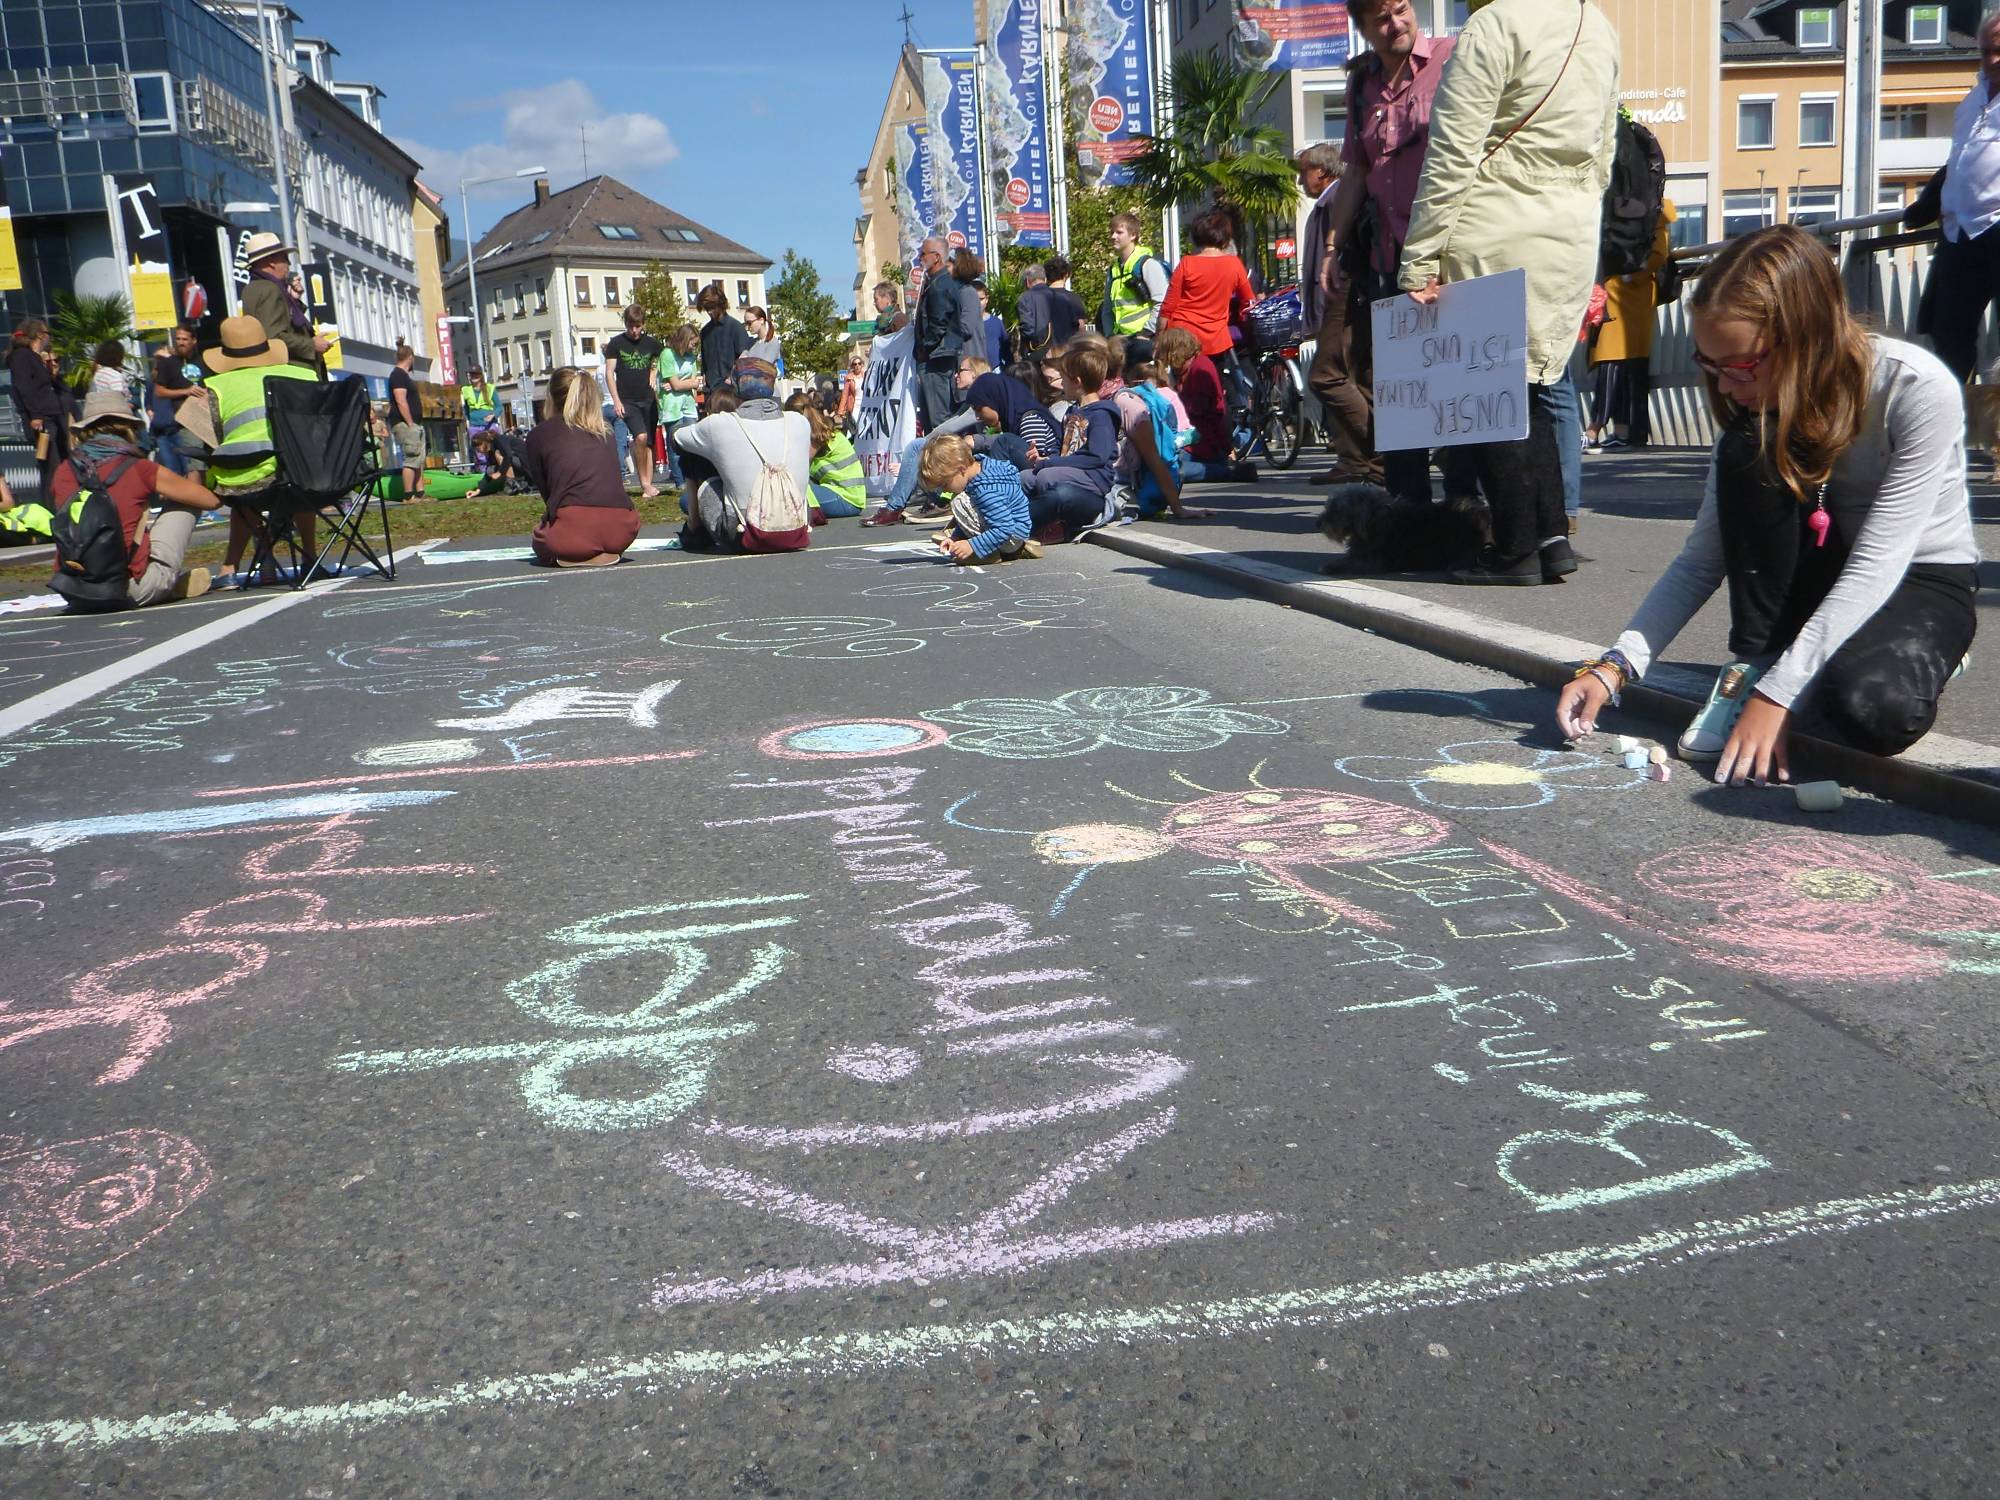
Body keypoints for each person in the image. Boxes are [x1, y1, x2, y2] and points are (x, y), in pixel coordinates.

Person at [1557, 225, 1979, 786]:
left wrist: (1780, 697)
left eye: (1740, 365)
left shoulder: (1916, 388)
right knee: (1745, 451)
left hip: (1918, 576)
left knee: (1876, 710)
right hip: (1821, 566)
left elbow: (1880, 561)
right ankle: (1756, 664)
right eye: (1710, 365)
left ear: (1808, 339)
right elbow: (1702, 558)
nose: (1727, 387)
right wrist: (1616, 666)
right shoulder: (1752, 409)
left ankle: (1918, 657)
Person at [1400, 0, 1620, 585]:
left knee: (1489, 389)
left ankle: (1515, 548)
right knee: (1535, 383)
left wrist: (1419, 255)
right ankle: (1551, 537)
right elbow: (1604, 151)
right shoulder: (1595, 25)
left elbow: (1452, 151)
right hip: (1568, 229)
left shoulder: (1493, 25)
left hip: (1495, 220)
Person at [1320, 0, 1458, 498]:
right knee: (1398, 388)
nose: (1395, 24)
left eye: (1401, 9)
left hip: (1449, 249)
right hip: (1387, 256)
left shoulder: (1452, 58)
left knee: (1454, 380)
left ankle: (1466, 506)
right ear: (1362, 28)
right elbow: (1355, 170)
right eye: (1381, 18)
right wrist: (1333, 247)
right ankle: (1409, 507)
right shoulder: (1361, 85)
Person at [49, 389, 224, 605]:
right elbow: (210, 501)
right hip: (126, 589)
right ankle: (163, 585)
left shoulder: (63, 471)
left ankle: (164, 587)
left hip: (75, 592)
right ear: (129, 428)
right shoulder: (139, 467)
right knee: (185, 503)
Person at [198, 314, 323, 586]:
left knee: (241, 479)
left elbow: (211, 437)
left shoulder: (214, 386)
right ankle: (310, 557)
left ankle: (230, 567)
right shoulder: (305, 375)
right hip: (310, 477)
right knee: (300, 477)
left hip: (245, 482)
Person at [862, 360, 1050, 527]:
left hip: (1031, 474)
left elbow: (1035, 458)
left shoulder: (1029, 419)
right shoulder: (1006, 413)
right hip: (992, 461)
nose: (978, 416)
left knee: (995, 445)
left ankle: (959, 503)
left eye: (979, 410)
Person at [1924, 10, 2000, 386]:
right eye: (1986, 51)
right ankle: (1950, 428)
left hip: (1997, 224)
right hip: (1960, 231)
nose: (1992, 60)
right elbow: (1960, 155)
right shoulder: (1974, 97)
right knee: (1949, 335)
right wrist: (1934, 199)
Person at [671, 356, 814, 551]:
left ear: (737, 388)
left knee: (695, 456)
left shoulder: (720, 424)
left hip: (743, 532)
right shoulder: (799, 422)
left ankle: (694, 530)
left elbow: (676, 439)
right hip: (796, 527)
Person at [1297, 142, 1378, 486]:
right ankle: (1357, 460)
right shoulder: (1326, 203)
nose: (1301, 180)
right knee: (1356, 376)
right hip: (1348, 293)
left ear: (1323, 171)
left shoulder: (1335, 200)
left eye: (1305, 172)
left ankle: (1380, 451)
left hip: (1344, 293)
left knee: (1326, 375)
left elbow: (1330, 261)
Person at [521, 366, 641, 567]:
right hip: (623, 528)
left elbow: (548, 496)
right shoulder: (606, 432)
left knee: (541, 537)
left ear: (551, 396)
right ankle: (598, 547)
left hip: (572, 528)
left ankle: (577, 550)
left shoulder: (539, 435)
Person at [1587, 197, 1676, 455]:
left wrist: (1630, 275)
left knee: (1617, 362)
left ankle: (1601, 428)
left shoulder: (1655, 207)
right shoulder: (1621, 203)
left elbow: (1659, 252)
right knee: (1619, 364)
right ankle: (1625, 431)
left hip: (1630, 295)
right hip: (1615, 294)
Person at [1157, 209, 1255, 428]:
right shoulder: (1234, 264)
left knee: (1184, 392)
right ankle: (1222, 443)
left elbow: (1168, 307)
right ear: (1225, 236)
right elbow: (1248, 302)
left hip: (1183, 338)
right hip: (1216, 340)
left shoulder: (1187, 264)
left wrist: (1159, 337)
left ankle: (1189, 437)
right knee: (1216, 391)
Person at [1018, 342, 1125, 542]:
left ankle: (1033, 527)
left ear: (1076, 381)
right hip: (1071, 471)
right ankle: (1003, 519)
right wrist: (1044, 456)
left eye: (1063, 378)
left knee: (1047, 476)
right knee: (1024, 477)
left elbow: (1097, 456)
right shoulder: (1072, 412)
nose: (1060, 384)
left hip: (1093, 479)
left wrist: (1051, 463)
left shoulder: (1101, 415)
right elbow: (1064, 449)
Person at [1155, 327, 1255, 485]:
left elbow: (1212, 414)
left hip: (1203, 444)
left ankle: (1229, 472)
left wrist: (1227, 447)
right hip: (1191, 441)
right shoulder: (1183, 371)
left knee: (1169, 469)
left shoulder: (1201, 368)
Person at [921, 432, 1039, 565]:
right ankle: (1008, 549)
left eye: (945, 484)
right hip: (1016, 534)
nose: (944, 490)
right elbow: (979, 514)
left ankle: (990, 554)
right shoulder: (983, 469)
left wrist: (972, 546)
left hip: (1009, 538)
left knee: (959, 501)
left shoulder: (986, 490)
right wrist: (957, 538)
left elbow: (1004, 529)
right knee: (964, 501)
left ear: (961, 469)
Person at [238, 232, 329, 372]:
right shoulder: (270, 289)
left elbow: (276, 321)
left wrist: (293, 300)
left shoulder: (253, 287)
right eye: (285, 258)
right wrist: (311, 345)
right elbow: (273, 336)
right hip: (292, 371)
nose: (289, 263)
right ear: (271, 262)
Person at [603, 305, 664, 498]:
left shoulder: (651, 343)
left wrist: (654, 372)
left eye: (637, 326)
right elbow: (609, 373)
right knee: (640, 437)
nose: (634, 331)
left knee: (650, 442)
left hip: (648, 399)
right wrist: (616, 400)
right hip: (627, 400)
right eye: (630, 326)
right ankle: (644, 483)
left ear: (643, 324)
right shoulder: (616, 343)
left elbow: (665, 358)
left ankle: (650, 484)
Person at [912, 237, 965, 432]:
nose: (920, 258)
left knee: (938, 419)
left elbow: (938, 324)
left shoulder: (940, 285)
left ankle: (946, 460)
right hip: (935, 357)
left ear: (936, 257)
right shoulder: (936, 283)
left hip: (936, 358)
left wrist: (924, 348)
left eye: (923, 254)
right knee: (931, 419)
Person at [9, 319, 68, 492]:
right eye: (48, 334)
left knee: (59, 462)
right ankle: (53, 507)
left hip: (50, 414)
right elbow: (24, 387)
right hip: (42, 418)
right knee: (51, 466)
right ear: (40, 335)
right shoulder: (21, 356)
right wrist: (35, 415)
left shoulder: (33, 357)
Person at [1099, 212, 1170, 351]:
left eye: (1119, 232)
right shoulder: (1113, 269)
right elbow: (1107, 308)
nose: (1113, 236)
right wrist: (1110, 336)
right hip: (1120, 340)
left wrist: (1146, 333)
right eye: (1112, 232)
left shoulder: (1147, 264)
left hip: (1143, 340)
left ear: (1133, 235)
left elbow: (1162, 302)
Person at [149, 324, 208, 478]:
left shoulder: (204, 361)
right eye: (178, 339)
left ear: (194, 340)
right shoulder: (169, 363)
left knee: (211, 460)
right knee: (195, 463)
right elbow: (159, 391)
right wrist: (185, 391)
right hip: (186, 420)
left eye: (185, 339)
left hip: (208, 417)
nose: (181, 342)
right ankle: (195, 499)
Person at [655, 324, 701, 488]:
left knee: (692, 443)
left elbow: (696, 382)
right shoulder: (667, 354)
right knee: (675, 445)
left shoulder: (691, 358)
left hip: (688, 404)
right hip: (671, 406)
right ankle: (680, 481)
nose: (693, 347)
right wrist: (687, 384)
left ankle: (693, 478)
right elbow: (676, 385)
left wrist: (684, 384)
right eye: (692, 343)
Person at [804, 404, 867, 518]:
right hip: (850, 497)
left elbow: (798, 466)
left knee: (791, 492)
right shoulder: (826, 433)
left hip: (846, 499)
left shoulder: (817, 440)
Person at [697, 283, 752, 400]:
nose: (709, 312)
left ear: (721, 304)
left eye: (712, 308)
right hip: (711, 391)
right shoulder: (705, 331)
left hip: (730, 392)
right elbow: (705, 364)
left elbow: (744, 359)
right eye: (707, 309)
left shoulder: (736, 328)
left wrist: (731, 378)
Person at [388, 342, 428, 501]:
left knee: (419, 458)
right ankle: (408, 495)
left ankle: (420, 493)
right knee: (411, 459)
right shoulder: (397, 375)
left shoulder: (403, 376)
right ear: (410, 358)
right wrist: (410, 423)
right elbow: (400, 400)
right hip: (406, 424)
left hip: (414, 424)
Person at [1042, 256, 1087, 347]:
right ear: (1066, 274)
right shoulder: (1074, 299)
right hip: (1068, 351)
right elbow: (1081, 328)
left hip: (1045, 351)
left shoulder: (1039, 298)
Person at [976, 281, 1006, 369]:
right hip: (973, 371)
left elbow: (1005, 346)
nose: (978, 303)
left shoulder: (996, 322)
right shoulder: (965, 324)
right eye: (974, 299)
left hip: (995, 369)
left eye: (981, 299)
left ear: (987, 299)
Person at [743, 305, 783, 371]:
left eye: (749, 323)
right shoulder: (751, 342)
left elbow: (764, 367)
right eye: (745, 324)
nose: (747, 328)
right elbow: (739, 363)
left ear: (761, 320)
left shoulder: (773, 342)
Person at [462, 366, 499, 434]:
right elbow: (466, 408)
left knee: (492, 444)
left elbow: (499, 407)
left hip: (489, 426)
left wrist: (493, 415)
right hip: (474, 427)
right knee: (476, 444)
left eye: (476, 374)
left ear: (481, 375)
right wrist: (467, 421)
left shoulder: (490, 388)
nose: (474, 376)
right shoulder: (466, 390)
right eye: (472, 374)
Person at [837, 348, 866, 429]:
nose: (857, 366)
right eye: (855, 364)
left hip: (866, 406)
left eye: (859, 363)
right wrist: (841, 410)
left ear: (862, 365)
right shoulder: (848, 378)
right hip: (855, 406)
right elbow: (845, 395)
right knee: (855, 428)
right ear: (852, 366)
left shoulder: (867, 375)